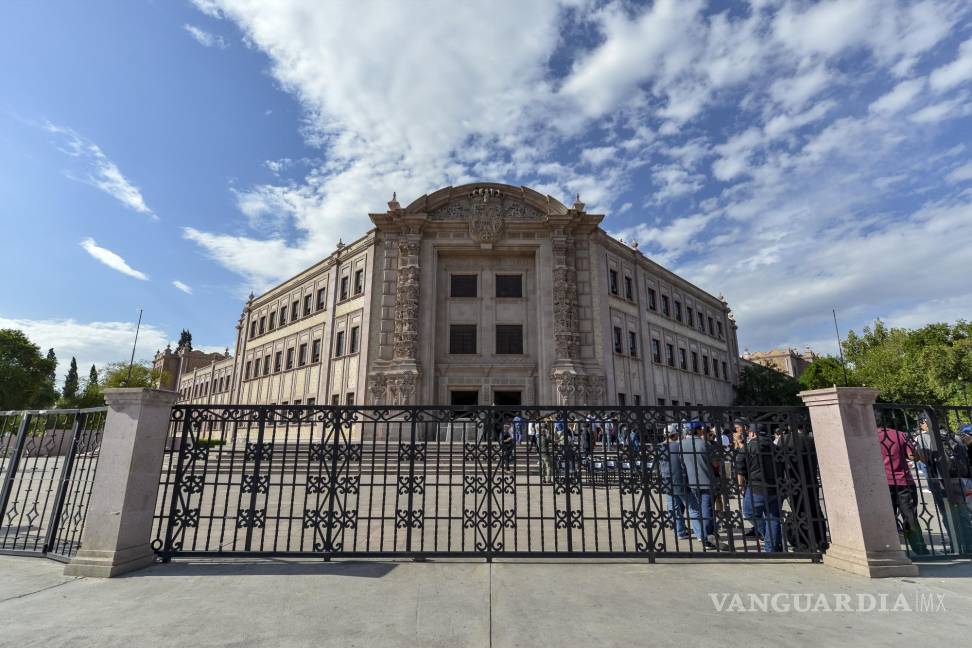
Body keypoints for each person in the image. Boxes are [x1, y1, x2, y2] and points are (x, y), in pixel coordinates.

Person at [878, 423, 930, 555]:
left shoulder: (868, 436)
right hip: (903, 480)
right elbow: (912, 455)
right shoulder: (899, 434)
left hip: (881, 482)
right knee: (910, 515)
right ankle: (919, 548)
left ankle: (888, 548)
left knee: (885, 517)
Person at [778, 424, 828, 552]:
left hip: (793, 480)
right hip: (810, 480)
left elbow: (778, 460)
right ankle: (820, 539)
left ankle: (803, 542)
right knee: (815, 508)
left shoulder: (785, 439)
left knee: (798, 510)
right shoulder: (810, 439)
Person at [736, 426, 784, 552]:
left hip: (756, 487)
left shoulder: (748, 447)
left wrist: (740, 486)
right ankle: (771, 547)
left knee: (749, 512)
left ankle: (768, 537)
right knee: (773, 517)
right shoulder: (776, 447)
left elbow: (740, 469)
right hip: (775, 487)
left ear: (752, 433)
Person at [679, 420, 722, 548]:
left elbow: (682, 463)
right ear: (698, 430)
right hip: (707, 481)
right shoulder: (705, 444)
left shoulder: (682, 444)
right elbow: (715, 463)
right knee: (707, 509)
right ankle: (707, 537)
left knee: (700, 509)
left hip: (692, 482)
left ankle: (709, 533)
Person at [658, 425, 690, 539]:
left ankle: (680, 531)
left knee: (673, 507)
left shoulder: (659, 447)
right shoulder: (678, 446)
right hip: (680, 479)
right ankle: (702, 533)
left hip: (666, 479)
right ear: (675, 435)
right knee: (692, 507)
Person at [733, 418, 759, 538]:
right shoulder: (739, 438)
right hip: (743, 473)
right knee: (750, 504)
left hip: (753, 475)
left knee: (752, 506)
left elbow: (747, 452)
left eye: (738, 427)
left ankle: (760, 529)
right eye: (736, 427)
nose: (736, 429)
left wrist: (739, 442)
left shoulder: (750, 439)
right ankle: (757, 528)